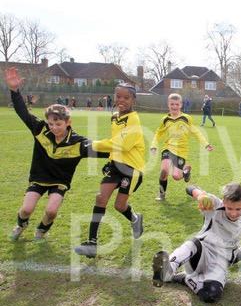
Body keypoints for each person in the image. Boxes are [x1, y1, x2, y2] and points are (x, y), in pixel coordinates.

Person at [4, 67, 108, 241]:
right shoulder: (40, 130)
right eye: (51, 123)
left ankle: (42, 229)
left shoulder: (78, 142)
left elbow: (102, 149)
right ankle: (21, 225)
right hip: (38, 177)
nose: (53, 127)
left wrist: (124, 150)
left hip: (59, 181)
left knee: (51, 211)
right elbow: (23, 112)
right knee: (26, 209)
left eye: (58, 124)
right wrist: (14, 90)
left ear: (68, 122)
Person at [151, 183, 241, 303]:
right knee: (194, 243)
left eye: (238, 209)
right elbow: (189, 188)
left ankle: (184, 278)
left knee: (211, 295)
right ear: (224, 202)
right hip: (200, 253)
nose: (233, 213)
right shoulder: (214, 204)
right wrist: (200, 196)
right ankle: (168, 269)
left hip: (221, 261)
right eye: (229, 208)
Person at [74, 83, 146, 258]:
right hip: (116, 166)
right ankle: (92, 244)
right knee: (100, 198)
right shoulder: (114, 117)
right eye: (118, 96)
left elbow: (123, 145)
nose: (121, 100)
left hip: (131, 169)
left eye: (126, 97)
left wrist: (93, 144)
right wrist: (111, 159)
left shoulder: (134, 120)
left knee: (119, 206)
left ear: (134, 100)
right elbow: (115, 141)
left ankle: (135, 219)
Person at [150, 93, 213, 201]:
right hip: (168, 148)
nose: (174, 106)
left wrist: (206, 144)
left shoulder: (186, 118)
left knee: (176, 176)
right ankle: (162, 194)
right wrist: (154, 145)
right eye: (172, 104)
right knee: (164, 170)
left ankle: (186, 170)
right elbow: (158, 133)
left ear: (181, 105)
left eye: (177, 104)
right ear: (168, 104)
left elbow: (196, 132)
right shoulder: (165, 119)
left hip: (181, 151)